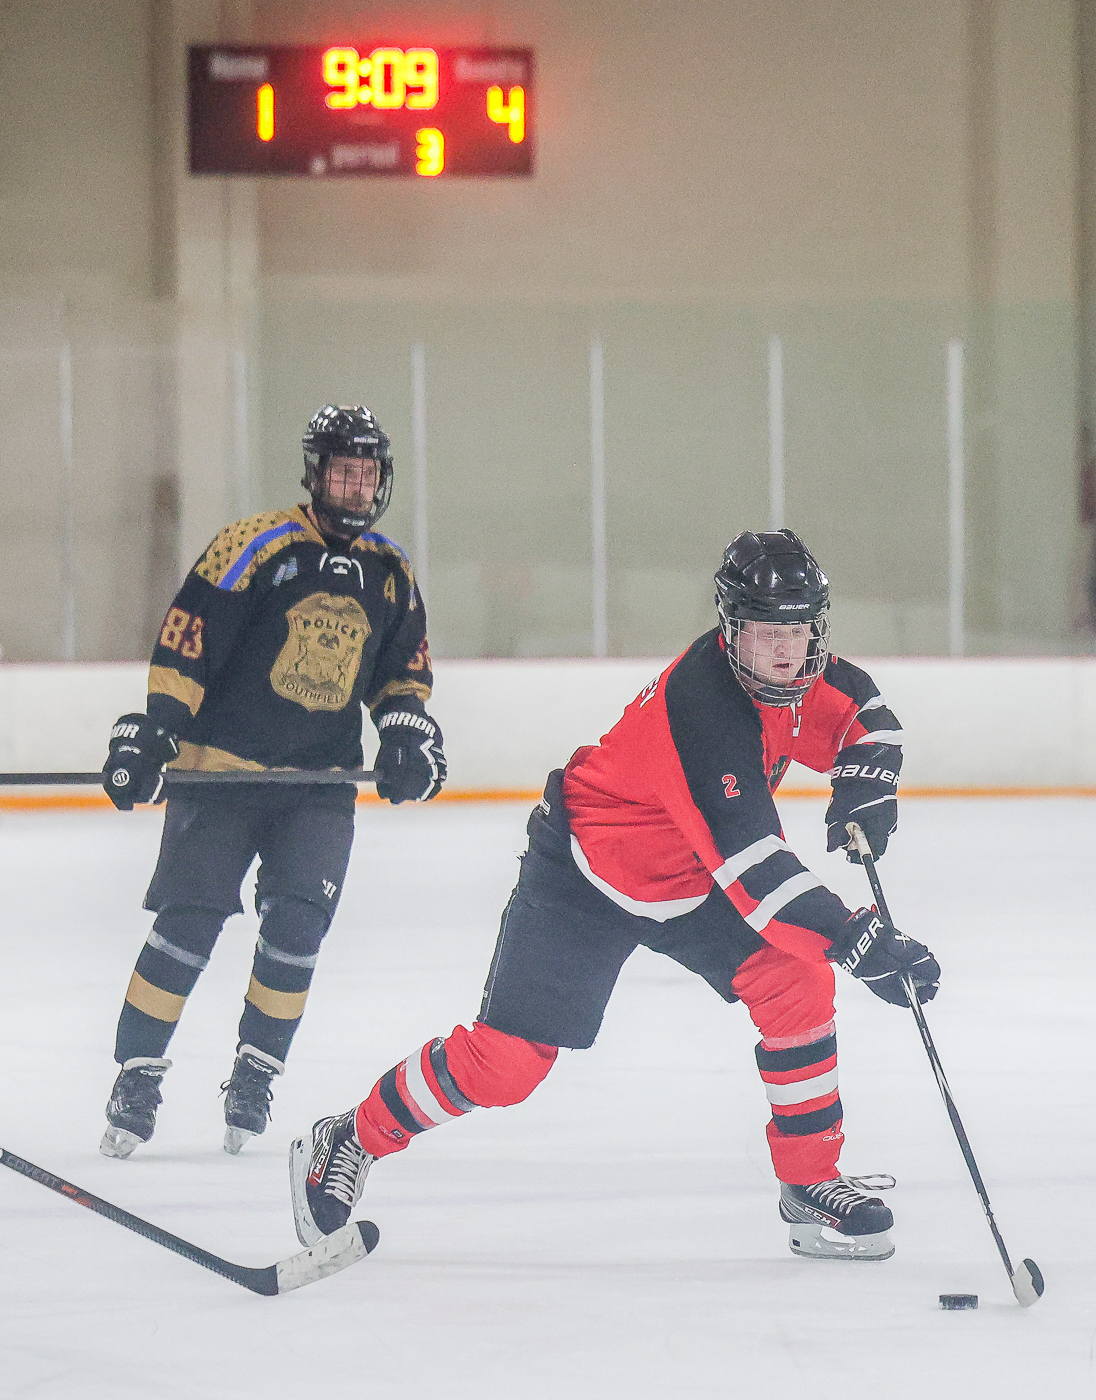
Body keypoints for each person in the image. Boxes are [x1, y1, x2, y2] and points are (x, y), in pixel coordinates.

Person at [289, 529, 940, 1262]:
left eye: (799, 630)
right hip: (587, 874)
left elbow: (866, 714)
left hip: (691, 876)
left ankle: (809, 1179)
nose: (787, 651)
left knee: (796, 980)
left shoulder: (796, 676)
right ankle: (351, 1136)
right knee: (507, 1065)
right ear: (731, 631)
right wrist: (857, 938)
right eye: (767, 633)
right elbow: (759, 876)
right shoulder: (702, 712)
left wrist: (868, 781)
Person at [99, 404, 446, 1159]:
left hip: (318, 785)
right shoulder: (254, 544)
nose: (356, 487)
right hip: (220, 774)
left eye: (367, 474)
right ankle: (137, 1072)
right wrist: (158, 727)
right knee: (188, 925)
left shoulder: (390, 570)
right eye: (343, 472)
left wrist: (406, 731)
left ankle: (256, 1071)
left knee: (297, 926)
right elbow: (189, 641)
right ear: (315, 473)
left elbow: (402, 672)